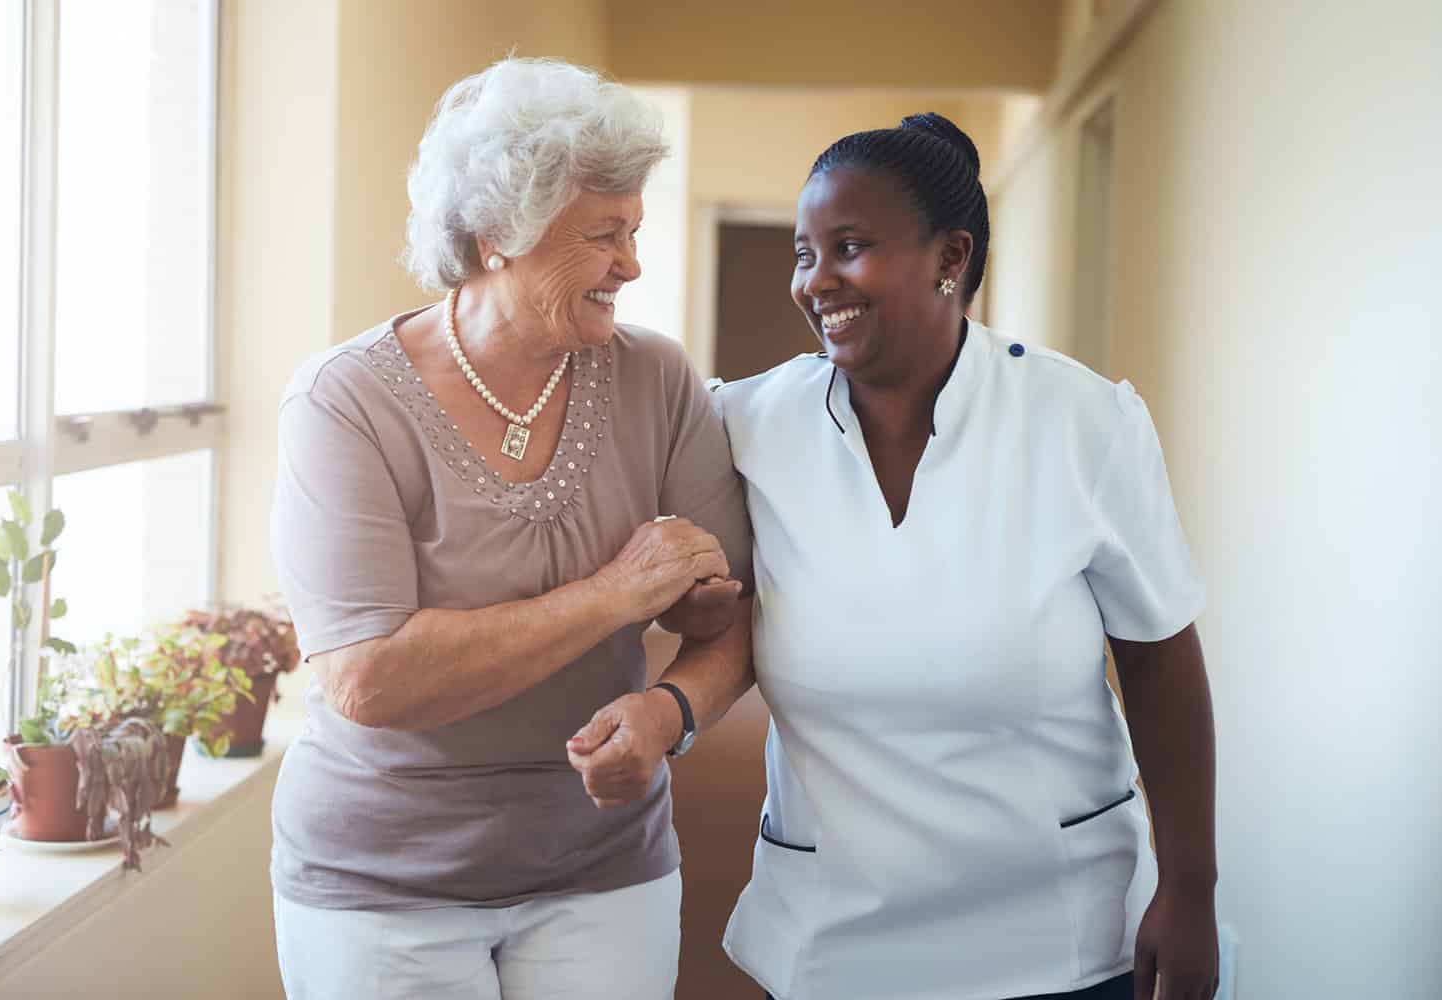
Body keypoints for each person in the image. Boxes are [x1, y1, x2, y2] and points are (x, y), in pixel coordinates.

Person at [579, 111, 1221, 1000]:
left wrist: (1191, 889)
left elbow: (1160, 661)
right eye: (805, 253)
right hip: (834, 937)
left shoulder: (1081, 423)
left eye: (850, 246)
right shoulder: (745, 424)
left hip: (1059, 934)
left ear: (950, 258)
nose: (816, 281)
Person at [267, 57, 752, 1000]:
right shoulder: (345, 402)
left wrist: (671, 707)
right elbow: (369, 678)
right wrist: (617, 594)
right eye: (604, 234)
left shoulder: (656, 379)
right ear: (497, 235)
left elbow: (728, 617)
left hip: (604, 864)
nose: (633, 264)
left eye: (636, 230)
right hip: (380, 884)